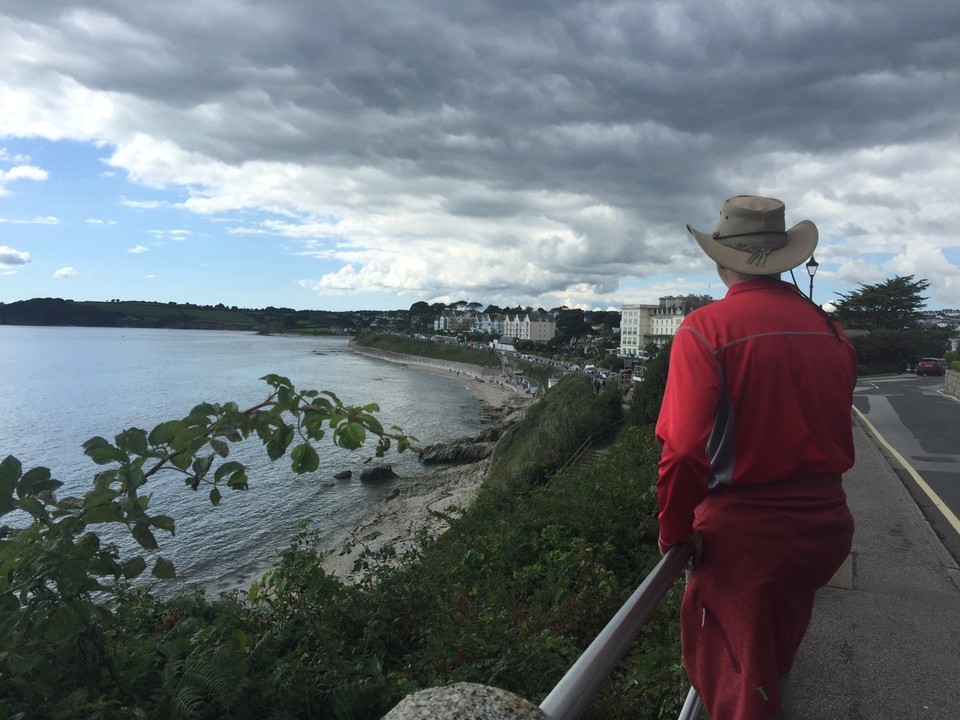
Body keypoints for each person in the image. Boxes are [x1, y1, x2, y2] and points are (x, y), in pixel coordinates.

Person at [655, 195, 857, 719]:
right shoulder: (831, 332)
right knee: (773, 666)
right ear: (786, 257)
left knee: (739, 693)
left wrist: (674, 533)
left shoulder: (706, 329)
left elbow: (681, 452)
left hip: (750, 541)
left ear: (721, 259)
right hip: (824, 529)